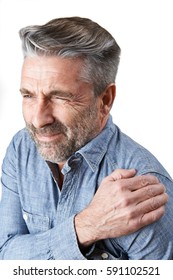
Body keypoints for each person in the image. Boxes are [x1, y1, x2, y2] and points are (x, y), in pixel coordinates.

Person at [0, 17, 172, 260]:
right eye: (28, 95)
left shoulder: (145, 188)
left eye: (60, 97)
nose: (38, 120)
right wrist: (85, 227)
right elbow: (5, 255)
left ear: (105, 100)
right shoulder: (22, 149)